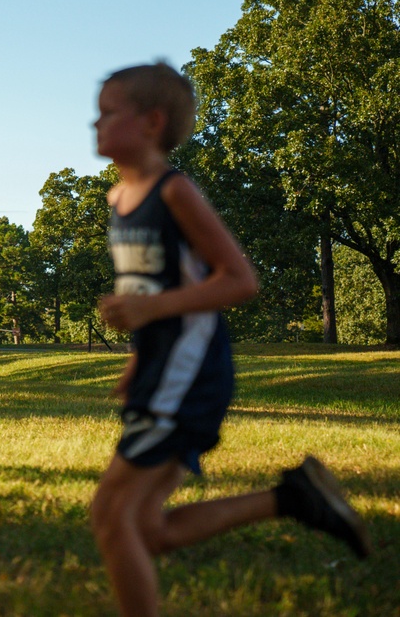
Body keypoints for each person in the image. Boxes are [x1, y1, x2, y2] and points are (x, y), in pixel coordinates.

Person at [89, 62, 371, 617]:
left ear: (151, 122)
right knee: (150, 530)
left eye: (107, 112)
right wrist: (136, 359)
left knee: (111, 516)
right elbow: (151, 290)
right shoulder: (117, 200)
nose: (95, 123)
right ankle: (293, 499)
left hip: (190, 373)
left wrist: (148, 310)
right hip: (159, 372)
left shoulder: (173, 192)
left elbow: (240, 280)